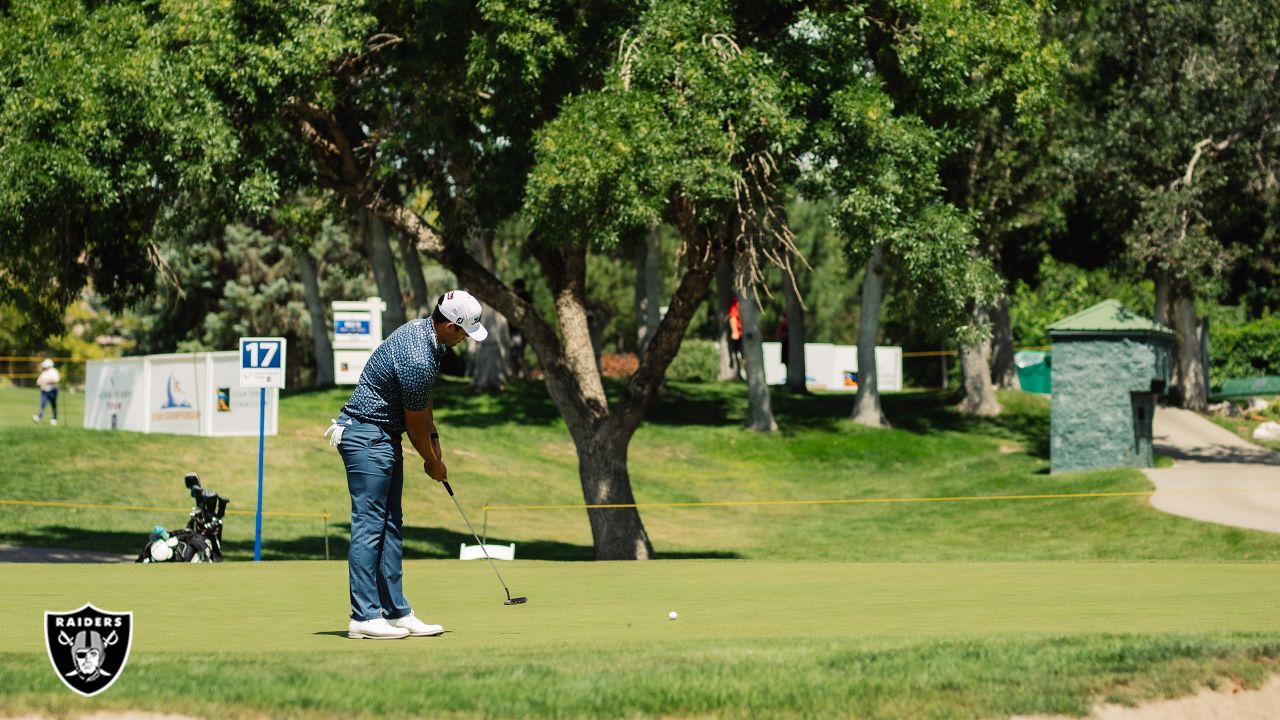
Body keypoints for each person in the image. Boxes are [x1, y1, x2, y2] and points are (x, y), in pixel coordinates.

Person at [324, 290, 488, 640]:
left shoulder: (430, 341)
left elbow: (422, 401)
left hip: (383, 436)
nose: (464, 339)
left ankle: (396, 612)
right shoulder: (418, 355)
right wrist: (432, 463)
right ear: (448, 325)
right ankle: (364, 618)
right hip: (366, 435)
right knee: (370, 527)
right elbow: (414, 422)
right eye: (463, 332)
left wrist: (436, 439)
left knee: (390, 526)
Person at [33, 358, 60, 426]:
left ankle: (54, 418)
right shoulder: (44, 372)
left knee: (53, 405)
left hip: (52, 391)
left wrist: (47, 381)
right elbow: (39, 381)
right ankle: (39, 417)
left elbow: (56, 380)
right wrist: (40, 382)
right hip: (44, 391)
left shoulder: (54, 371)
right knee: (43, 404)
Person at [728, 297, 744, 378]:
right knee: (738, 355)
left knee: (744, 356)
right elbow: (733, 317)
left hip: (745, 335)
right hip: (739, 335)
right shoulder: (736, 302)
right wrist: (735, 332)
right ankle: (739, 374)